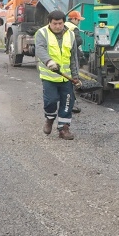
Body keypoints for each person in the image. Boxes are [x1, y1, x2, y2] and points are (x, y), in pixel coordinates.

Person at [35, 10, 82, 140]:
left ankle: (64, 128)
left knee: (68, 102)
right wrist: (49, 61)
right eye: (55, 23)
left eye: (60, 23)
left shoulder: (70, 35)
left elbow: (73, 58)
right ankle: (49, 119)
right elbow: (40, 49)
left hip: (66, 78)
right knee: (50, 101)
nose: (58, 26)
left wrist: (76, 76)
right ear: (49, 22)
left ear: (64, 22)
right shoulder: (42, 33)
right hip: (49, 76)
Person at [65, 10, 85, 114]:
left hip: (63, 55)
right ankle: (71, 104)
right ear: (73, 19)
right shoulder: (74, 28)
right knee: (73, 77)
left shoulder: (63, 25)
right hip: (72, 54)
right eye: (78, 20)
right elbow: (78, 41)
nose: (79, 22)